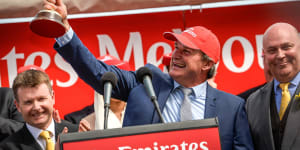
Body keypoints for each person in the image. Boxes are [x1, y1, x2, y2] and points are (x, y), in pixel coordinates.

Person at [44, 0, 254, 149]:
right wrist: (64, 32)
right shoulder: (146, 83)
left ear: (207, 63)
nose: (175, 55)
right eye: (176, 47)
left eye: (186, 51)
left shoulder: (233, 108)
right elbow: (97, 71)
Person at [246, 22, 300, 150]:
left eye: (287, 47)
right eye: (272, 50)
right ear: (264, 55)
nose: (280, 55)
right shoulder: (252, 102)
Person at [0, 69, 78, 150]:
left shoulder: (76, 134)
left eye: (41, 99)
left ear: (52, 97)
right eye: (28, 102)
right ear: (18, 106)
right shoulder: (7, 147)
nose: (36, 107)